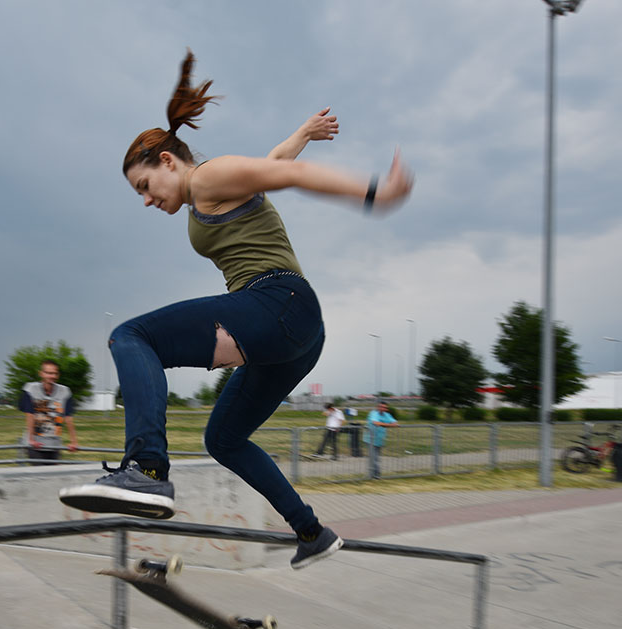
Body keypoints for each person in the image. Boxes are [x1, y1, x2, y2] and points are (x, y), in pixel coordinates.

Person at [58, 50, 412, 569]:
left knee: (133, 337)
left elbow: (290, 177)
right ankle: (311, 532)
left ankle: (147, 469)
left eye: (145, 187)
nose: (147, 201)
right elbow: (275, 164)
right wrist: (302, 132)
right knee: (222, 438)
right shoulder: (216, 186)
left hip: (276, 302)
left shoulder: (207, 178)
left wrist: (373, 192)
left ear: (168, 162)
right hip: (297, 337)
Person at [18, 360, 79, 464]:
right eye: (48, 373)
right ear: (41, 373)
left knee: (53, 474)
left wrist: (73, 441)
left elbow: (68, 417)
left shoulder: (65, 391)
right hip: (36, 444)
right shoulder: (30, 389)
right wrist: (31, 439)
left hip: (54, 444)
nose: (52, 376)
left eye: (55, 373)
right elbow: (29, 415)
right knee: (40, 473)